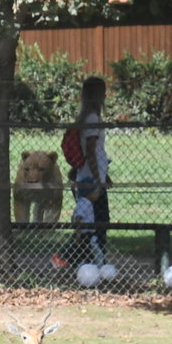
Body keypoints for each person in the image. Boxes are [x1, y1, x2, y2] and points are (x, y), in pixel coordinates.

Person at [73, 77, 110, 261]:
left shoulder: (88, 117)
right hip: (91, 179)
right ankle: (92, 259)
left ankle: (88, 259)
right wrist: (98, 179)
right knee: (99, 222)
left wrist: (105, 175)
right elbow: (91, 150)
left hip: (90, 176)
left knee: (89, 223)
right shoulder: (92, 118)